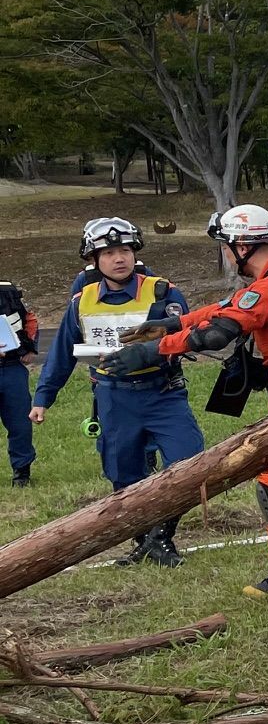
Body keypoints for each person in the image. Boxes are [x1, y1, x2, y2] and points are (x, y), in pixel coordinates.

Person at [109, 206, 268, 598]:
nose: (225, 254)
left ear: (240, 246)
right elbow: (228, 306)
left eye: (225, 246)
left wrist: (154, 350)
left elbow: (217, 334)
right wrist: (174, 323)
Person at [31, 218, 203, 563]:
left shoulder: (162, 292)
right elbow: (63, 352)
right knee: (123, 474)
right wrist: (42, 399)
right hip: (113, 397)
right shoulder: (82, 301)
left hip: (162, 392)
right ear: (94, 259)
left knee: (190, 462)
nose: (118, 258)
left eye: (124, 250)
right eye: (108, 252)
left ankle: (162, 536)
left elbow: (189, 337)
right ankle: (144, 541)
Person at [0, 276, 35, 486]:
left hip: (12, 369)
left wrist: (30, 347)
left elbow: (29, 319)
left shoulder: (7, 291)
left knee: (20, 424)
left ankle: (22, 472)